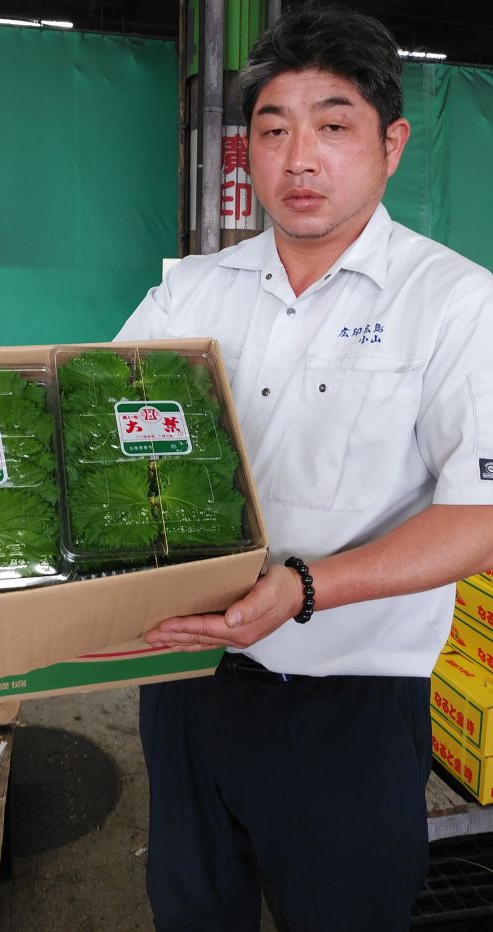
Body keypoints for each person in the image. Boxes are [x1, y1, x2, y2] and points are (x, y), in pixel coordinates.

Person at [116, 5, 493, 932]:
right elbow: (96, 428)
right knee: (192, 910)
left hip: (347, 708)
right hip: (187, 684)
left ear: (390, 145)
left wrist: (306, 587)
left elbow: (480, 517)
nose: (299, 160)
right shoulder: (190, 291)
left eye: (332, 127)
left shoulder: (454, 304)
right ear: (247, 151)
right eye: (273, 131)